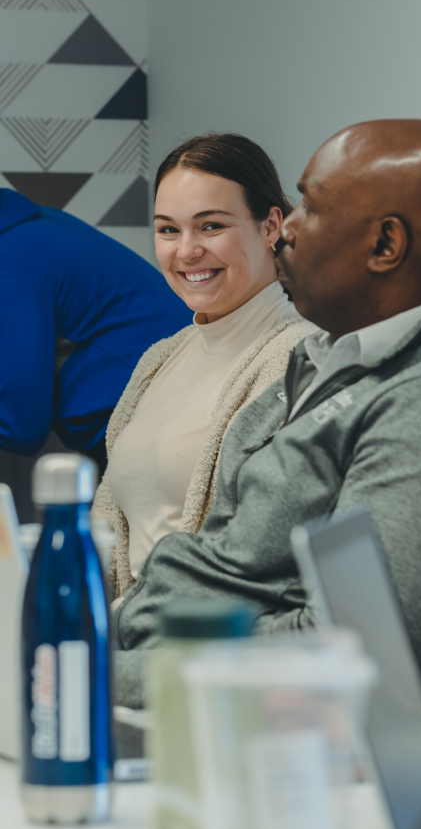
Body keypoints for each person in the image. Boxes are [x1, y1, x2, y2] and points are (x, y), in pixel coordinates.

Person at [111, 119, 421, 718]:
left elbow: (347, 658)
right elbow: (223, 557)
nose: (287, 230)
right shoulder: (334, 359)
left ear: (386, 245)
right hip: (164, 674)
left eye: (311, 207)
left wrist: (101, 674)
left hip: (264, 740)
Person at [92, 134, 314, 597]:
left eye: (211, 226)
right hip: (133, 632)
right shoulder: (161, 358)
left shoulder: (300, 357)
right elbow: (111, 532)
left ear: (272, 226)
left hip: (203, 638)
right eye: (168, 230)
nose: (187, 251)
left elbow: (259, 558)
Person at [0, 188, 192, 462]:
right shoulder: (30, 226)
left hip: (155, 418)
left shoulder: (9, 265)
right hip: (166, 402)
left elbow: (20, 428)